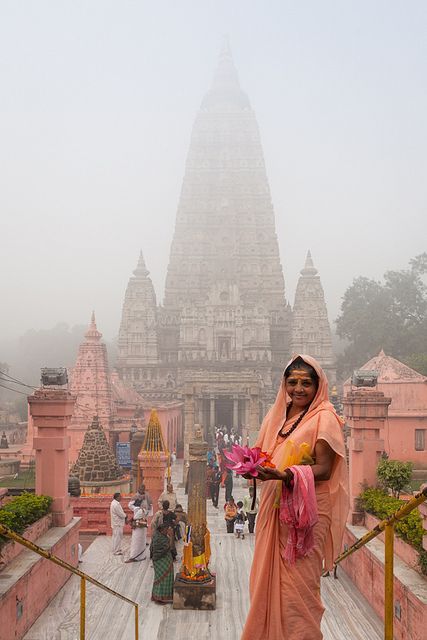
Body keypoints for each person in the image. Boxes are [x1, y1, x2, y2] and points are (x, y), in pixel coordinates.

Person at [241, 355, 349, 640]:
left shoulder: (324, 417)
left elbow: (324, 469)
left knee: (299, 591)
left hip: (306, 515)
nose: (298, 389)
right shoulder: (280, 414)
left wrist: (283, 476)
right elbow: (264, 453)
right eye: (292, 382)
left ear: (318, 385)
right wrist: (251, 468)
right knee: (267, 582)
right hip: (275, 509)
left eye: (306, 383)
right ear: (284, 384)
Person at [150, 522, 174, 604]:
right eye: (166, 530)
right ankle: (160, 597)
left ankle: (166, 595)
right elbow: (169, 547)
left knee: (168, 575)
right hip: (159, 559)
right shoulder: (158, 538)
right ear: (162, 530)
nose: (167, 531)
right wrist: (171, 537)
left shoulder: (161, 535)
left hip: (164, 557)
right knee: (164, 577)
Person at [125, 498, 148, 563]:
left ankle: (134, 557)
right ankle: (141, 556)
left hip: (138, 529)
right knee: (142, 543)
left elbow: (134, 517)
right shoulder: (145, 510)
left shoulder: (138, 510)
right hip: (143, 529)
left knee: (135, 543)